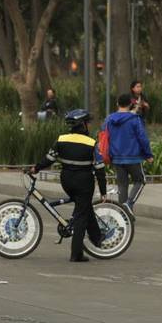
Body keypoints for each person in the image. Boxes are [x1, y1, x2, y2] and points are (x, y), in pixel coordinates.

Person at [33, 109, 105, 262]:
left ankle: (96, 237)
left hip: (66, 181)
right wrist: (103, 191)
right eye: (87, 123)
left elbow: (49, 159)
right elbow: (100, 168)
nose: (89, 126)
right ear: (83, 125)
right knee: (81, 216)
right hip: (84, 183)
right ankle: (76, 254)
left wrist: (36, 168)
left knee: (83, 207)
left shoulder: (61, 139)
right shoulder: (91, 143)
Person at [102, 92, 152, 210]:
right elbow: (142, 138)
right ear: (130, 104)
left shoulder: (109, 119)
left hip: (117, 157)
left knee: (122, 185)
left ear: (117, 103)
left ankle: (122, 213)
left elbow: (104, 134)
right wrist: (148, 154)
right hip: (133, 156)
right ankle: (129, 204)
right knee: (140, 181)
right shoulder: (135, 119)